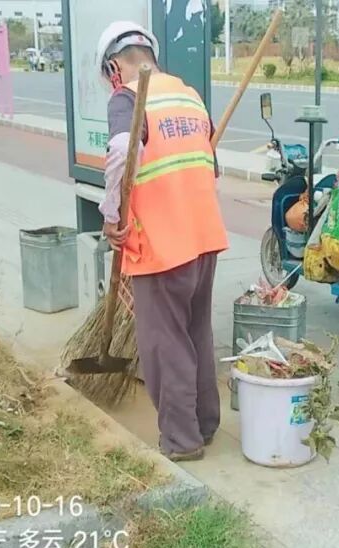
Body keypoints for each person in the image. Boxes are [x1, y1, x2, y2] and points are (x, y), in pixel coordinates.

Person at [96, 21, 228, 462]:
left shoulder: (128, 97)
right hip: (203, 236)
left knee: (164, 343)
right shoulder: (188, 96)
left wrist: (111, 214)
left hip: (161, 244)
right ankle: (204, 424)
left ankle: (181, 441)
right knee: (196, 332)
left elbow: (120, 152)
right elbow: (209, 164)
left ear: (114, 68)